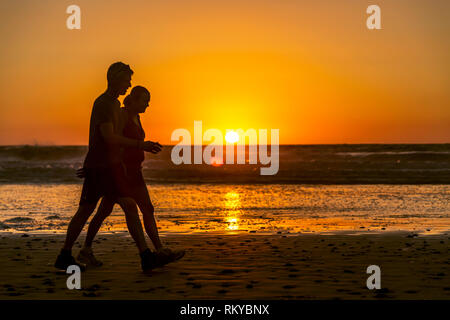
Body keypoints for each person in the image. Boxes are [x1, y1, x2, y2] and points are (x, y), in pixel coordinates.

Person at [54, 62, 167, 272]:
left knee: (122, 207)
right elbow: (108, 137)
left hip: (108, 167)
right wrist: (140, 145)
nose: (128, 85)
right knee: (87, 211)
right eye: (126, 80)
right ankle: (66, 254)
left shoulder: (115, 105)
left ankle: (145, 256)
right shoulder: (104, 103)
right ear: (114, 79)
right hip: (101, 167)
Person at [77, 86, 185, 266]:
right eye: (144, 100)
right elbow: (110, 142)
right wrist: (94, 166)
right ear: (133, 99)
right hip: (121, 172)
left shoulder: (137, 117)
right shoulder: (121, 115)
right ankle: (88, 249)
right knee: (109, 210)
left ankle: (159, 249)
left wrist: (147, 146)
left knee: (145, 209)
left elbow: (136, 144)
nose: (148, 104)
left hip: (136, 171)